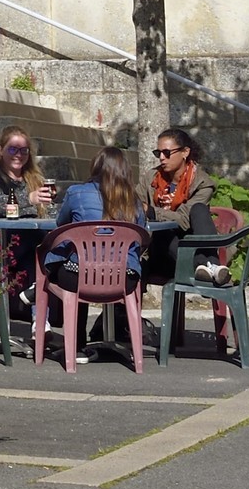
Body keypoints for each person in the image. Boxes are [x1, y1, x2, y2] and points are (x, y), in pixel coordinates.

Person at [42, 147, 148, 340]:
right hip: (125, 278)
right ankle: (128, 348)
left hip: (79, 276)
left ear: (96, 166)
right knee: (82, 260)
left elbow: (61, 225)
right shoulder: (134, 200)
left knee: (76, 258)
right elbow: (142, 237)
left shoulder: (76, 193)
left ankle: (77, 344)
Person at [142, 128, 226, 283]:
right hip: (161, 254)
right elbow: (135, 204)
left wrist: (152, 211)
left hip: (190, 245)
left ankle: (207, 265)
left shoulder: (202, 183)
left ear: (185, 152)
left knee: (199, 209)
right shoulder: (151, 179)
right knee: (162, 230)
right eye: (158, 153)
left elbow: (183, 220)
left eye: (167, 153)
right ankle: (207, 269)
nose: (161, 158)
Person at [0, 129, 55, 218]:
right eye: (12, 149)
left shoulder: (35, 178)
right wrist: (29, 199)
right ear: (0, 150)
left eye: (24, 150)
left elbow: (50, 212)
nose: (18, 155)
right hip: (2, 230)